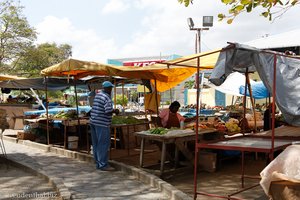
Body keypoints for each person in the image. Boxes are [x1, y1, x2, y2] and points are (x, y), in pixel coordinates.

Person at [89, 81, 119, 171]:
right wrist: (115, 111)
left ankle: (98, 162)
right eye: (110, 88)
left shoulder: (98, 95)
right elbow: (108, 110)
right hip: (102, 124)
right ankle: (103, 165)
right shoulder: (106, 97)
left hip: (93, 122)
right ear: (107, 88)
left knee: (96, 144)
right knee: (103, 144)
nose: (111, 90)